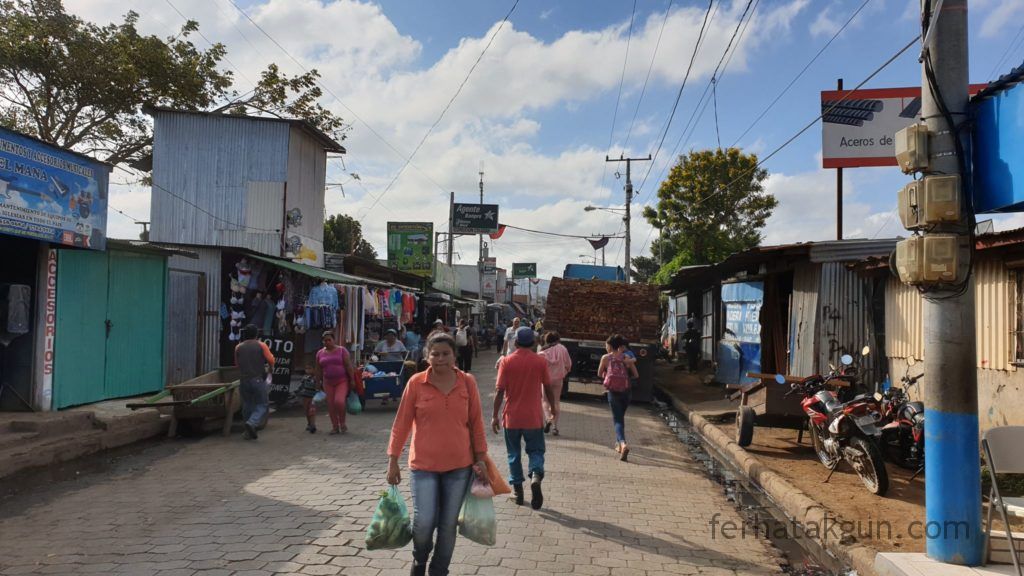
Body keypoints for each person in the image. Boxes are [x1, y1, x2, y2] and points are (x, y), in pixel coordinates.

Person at [387, 333, 488, 576]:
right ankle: (419, 559)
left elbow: (476, 422)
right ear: (427, 356)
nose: (440, 358)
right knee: (423, 524)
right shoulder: (416, 383)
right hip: (423, 466)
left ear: (455, 356)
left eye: (445, 354)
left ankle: (439, 570)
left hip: (459, 466)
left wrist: (481, 458)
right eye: (435, 354)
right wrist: (393, 460)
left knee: (447, 525)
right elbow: (401, 424)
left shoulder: (468, 382)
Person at [492, 326, 557, 510]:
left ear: (516, 342)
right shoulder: (540, 362)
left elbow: (499, 391)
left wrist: (494, 416)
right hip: (533, 417)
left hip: (511, 417)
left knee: (514, 454)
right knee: (536, 451)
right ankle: (536, 474)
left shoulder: (506, 362)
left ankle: (518, 492)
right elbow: (548, 387)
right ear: (534, 342)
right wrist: (552, 409)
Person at [598, 334, 639, 461]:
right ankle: (619, 445)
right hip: (626, 391)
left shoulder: (605, 358)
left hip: (613, 391)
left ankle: (623, 443)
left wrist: (608, 375)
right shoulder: (626, 357)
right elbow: (636, 375)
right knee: (620, 419)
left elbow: (599, 373)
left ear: (609, 346)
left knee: (618, 420)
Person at [234, 324, 275, 440]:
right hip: (257, 379)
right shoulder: (261, 345)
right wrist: (270, 367)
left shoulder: (238, 347)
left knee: (247, 405)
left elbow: (237, 364)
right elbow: (271, 359)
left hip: (243, 380)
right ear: (256, 334)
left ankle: (248, 431)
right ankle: (252, 423)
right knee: (262, 404)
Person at [314, 330, 356, 435]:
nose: (327, 342)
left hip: (342, 381)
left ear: (334, 340)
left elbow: (348, 366)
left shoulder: (342, 351)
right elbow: (318, 369)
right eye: (325, 340)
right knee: (331, 405)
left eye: (329, 340)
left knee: (339, 402)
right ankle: (335, 426)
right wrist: (318, 383)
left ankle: (342, 423)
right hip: (327, 382)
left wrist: (352, 379)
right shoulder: (320, 353)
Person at [538, 331, 572, 436]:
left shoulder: (542, 352)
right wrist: (565, 372)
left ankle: (548, 419)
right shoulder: (562, 349)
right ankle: (555, 427)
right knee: (556, 402)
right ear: (558, 339)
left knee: (545, 401)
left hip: (545, 380)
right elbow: (568, 364)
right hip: (558, 379)